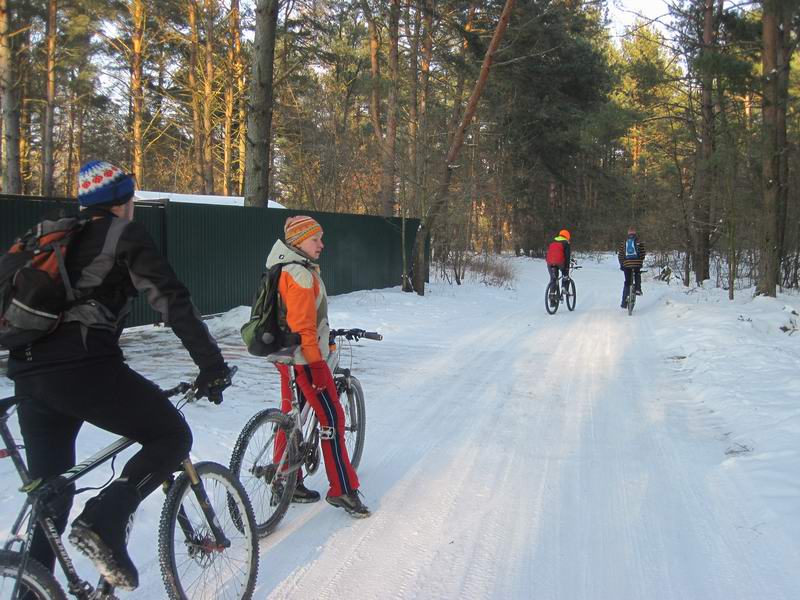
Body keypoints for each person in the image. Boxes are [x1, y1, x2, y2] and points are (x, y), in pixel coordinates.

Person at [6, 160, 233, 591]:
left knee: (52, 495)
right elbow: (172, 300)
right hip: (84, 370)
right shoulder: (123, 233)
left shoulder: (55, 237)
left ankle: (33, 588)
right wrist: (212, 366)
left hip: (29, 376)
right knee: (171, 436)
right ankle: (104, 520)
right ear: (124, 201)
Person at [266, 215, 370, 518]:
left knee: (291, 416)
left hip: (287, 357)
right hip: (305, 360)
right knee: (333, 419)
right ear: (298, 241)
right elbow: (304, 329)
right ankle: (343, 490)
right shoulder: (299, 274)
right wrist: (319, 367)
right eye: (316, 239)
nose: (321, 244)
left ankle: (287, 480)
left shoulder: (285, 267)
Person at [618, 226, 646, 308]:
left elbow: (620, 255)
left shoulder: (624, 243)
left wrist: (622, 264)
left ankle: (623, 302)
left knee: (627, 282)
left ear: (628, 233)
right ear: (635, 233)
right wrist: (640, 261)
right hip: (637, 263)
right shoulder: (639, 242)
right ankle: (638, 289)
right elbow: (643, 253)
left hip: (626, 264)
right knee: (637, 274)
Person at [545, 229, 572, 294]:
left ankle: (552, 295)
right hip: (560, 262)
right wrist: (567, 268)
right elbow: (567, 257)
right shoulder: (566, 243)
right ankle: (564, 288)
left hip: (550, 262)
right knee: (565, 274)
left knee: (553, 278)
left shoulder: (552, 242)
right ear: (567, 236)